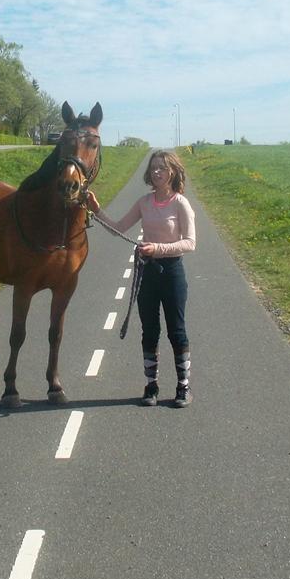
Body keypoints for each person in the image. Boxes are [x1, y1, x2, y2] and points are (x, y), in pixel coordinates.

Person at [86, 150, 197, 407]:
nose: (157, 172)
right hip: (147, 272)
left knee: (176, 330)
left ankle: (183, 387)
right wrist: (96, 210)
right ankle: (152, 386)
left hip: (172, 273)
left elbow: (190, 243)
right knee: (150, 331)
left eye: (162, 168)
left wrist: (157, 248)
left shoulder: (181, 203)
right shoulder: (144, 202)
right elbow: (118, 228)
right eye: (154, 167)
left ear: (173, 172)